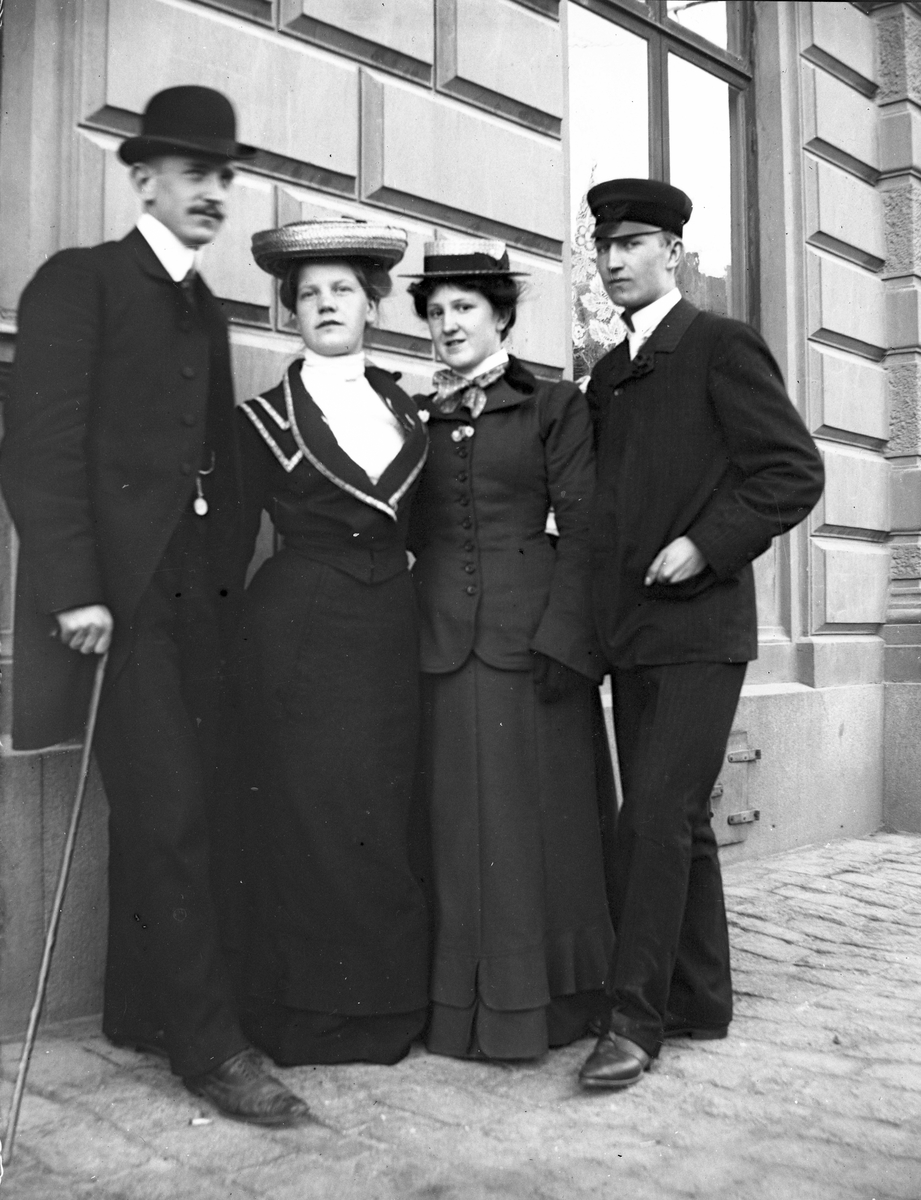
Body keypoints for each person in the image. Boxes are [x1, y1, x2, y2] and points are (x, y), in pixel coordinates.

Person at [0, 86, 310, 1127]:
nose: (214, 191)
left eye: (224, 175)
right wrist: (76, 590)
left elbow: (214, 458)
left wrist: (219, 591)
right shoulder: (80, 282)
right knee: (168, 811)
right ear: (143, 179)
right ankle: (210, 1050)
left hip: (192, 608)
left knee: (188, 803)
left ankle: (143, 1009)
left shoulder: (205, 308)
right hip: (116, 605)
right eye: (193, 172)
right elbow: (37, 452)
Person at [577, 178, 824, 1091]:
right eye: (603, 246)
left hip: (701, 630)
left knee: (650, 817)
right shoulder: (609, 373)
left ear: (672, 253)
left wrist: (704, 544)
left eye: (632, 244)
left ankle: (632, 1020)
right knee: (673, 820)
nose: (613, 261)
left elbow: (791, 471)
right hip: (632, 635)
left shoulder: (719, 345)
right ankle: (700, 998)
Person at [406, 237, 615, 1061]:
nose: (448, 324)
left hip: (532, 650)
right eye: (434, 312)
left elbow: (586, 530)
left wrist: (566, 643)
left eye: (464, 307)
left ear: (500, 315)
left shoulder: (552, 406)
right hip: (440, 647)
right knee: (458, 830)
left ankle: (544, 1008)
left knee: (536, 829)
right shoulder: (415, 415)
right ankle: (460, 1010)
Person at [232, 219, 430, 1067]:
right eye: (307, 294)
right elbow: (223, 545)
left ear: (371, 303)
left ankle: (387, 1008)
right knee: (312, 815)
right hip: (301, 632)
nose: (324, 304)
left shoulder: (406, 407)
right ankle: (310, 1014)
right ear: (290, 312)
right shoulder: (263, 419)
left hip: (393, 630)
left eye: (342, 290)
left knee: (382, 811)